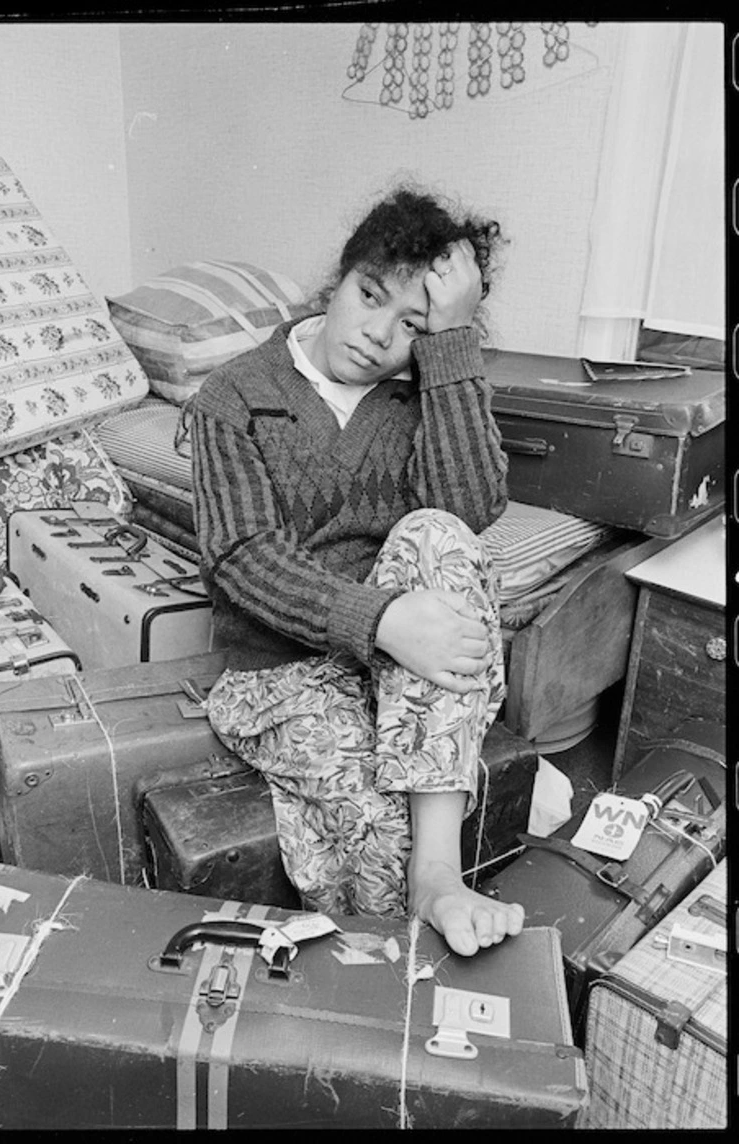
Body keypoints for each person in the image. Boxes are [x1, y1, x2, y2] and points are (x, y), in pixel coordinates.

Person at [191, 182, 525, 956]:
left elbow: (469, 508)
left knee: (437, 534)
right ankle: (390, 969)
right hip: (280, 673)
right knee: (372, 825)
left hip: (406, 672)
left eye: (412, 324)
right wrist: (380, 621)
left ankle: (440, 875)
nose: (378, 335)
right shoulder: (232, 397)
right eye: (369, 296)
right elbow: (241, 558)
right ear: (337, 280)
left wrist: (451, 345)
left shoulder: (421, 394)